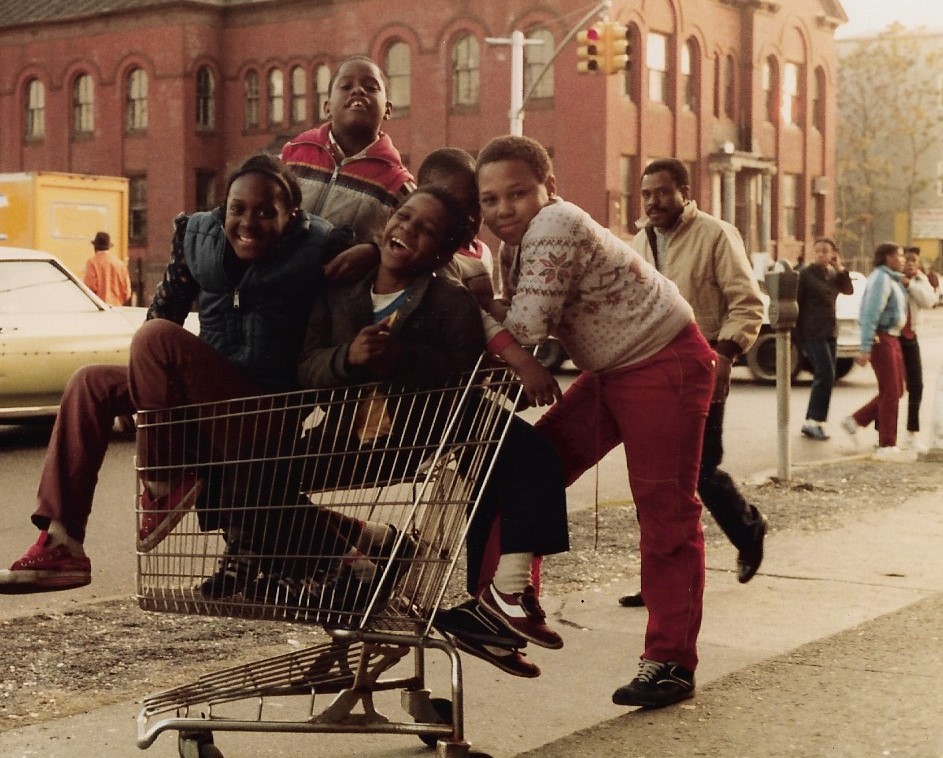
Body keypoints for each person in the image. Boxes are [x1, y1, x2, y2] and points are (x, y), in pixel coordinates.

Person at [0, 154, 352, 592]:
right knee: (90, 380)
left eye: (267, 212)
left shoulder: (321, 247)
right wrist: (148, 394)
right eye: (238, 209)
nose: (249, 222)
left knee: (158, 338)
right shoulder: (198, 238)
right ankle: (62, 542)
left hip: (266, 408)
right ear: (224, 208)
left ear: (292, 215)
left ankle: (164, 478)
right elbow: (161, 311)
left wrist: (371, 252)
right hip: (204, 399)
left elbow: (374, 285)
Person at [292, 186, 570, 677]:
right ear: (384, 223)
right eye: (403, 217)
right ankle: (371, 551)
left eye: (426, 231)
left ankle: (501, 595)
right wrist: (347, 358)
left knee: (526, 459)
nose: (407, 230)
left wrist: (403, 358)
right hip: (350, 435)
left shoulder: (448, 300)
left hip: (424, 433)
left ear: (442, 253)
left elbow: (461, 369)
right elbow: (307, 363)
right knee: (260, 483)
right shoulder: (339, 292)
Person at [478, 135, 715, 708]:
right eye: (488, 200)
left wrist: (465, 307)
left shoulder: (555, 226)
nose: (502, 208)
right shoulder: (517, 245)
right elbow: (516, 325)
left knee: (665, 512)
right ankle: (511, 597)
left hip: (664, 362)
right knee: (532, 464)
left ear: (549, 189)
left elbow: (526, 328)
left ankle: (671, 661)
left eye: (518, 193)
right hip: (614, 371)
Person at [622, 157, 767, 608]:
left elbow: (748, 302)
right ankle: (659, 581)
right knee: (657, 479)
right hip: (651, 372)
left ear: (685, 191)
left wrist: (725, 353)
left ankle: (748, 529)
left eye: (663, 192)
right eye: (646, 194)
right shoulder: (638, 242)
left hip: (702, 367)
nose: (653, 202)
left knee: (699, 468)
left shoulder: (716, 234)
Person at [280, 55, 414, 250]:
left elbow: (415, 245)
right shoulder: (291, 156)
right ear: (327, 108)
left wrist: (375, 253)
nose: (358, 90)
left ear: (388, 109)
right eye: (345, 86)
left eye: (371, 87)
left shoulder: (398, 185)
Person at [840, 243, 910, 459]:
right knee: (890, 391)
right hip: (882, 338)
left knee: (897, 389)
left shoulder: (891, 278)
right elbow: (870, 314)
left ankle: (856, 420)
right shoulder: (880, 279)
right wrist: (865, 348)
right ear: (887, 257)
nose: (903, 259)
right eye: (899, 255)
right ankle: (887, 444)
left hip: (892, 337)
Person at [796, 237, 854, 440]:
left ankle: (816, 421)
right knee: (825, 373)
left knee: (828, 375)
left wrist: (839, 267)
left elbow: (848, 290)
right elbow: (797, 304)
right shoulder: (805, 274)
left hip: (830, 331)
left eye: (826, 251)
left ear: (833, 254)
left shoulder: (832, 274)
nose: (821, 254)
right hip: (812, 331)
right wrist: (797, 338)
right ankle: (812, 421)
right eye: (818, 250)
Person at [898, 248, 938, 452]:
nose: (910, 264)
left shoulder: (920, 280)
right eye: (906, 260)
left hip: (910, 336)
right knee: (891, 387)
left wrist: (912, 284)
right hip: (893, 336)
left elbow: (930, 301)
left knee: (917, 385)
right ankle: (881, 433)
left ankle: (911, 433)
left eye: (914, 260)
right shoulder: (892, 277)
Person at [84, 231, 132, 306]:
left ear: (95, 247)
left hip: (98, 309)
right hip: (117, 309)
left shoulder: (92, 263)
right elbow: (127, 293)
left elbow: (89, 287)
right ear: (109, 247)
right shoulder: (120, 265)